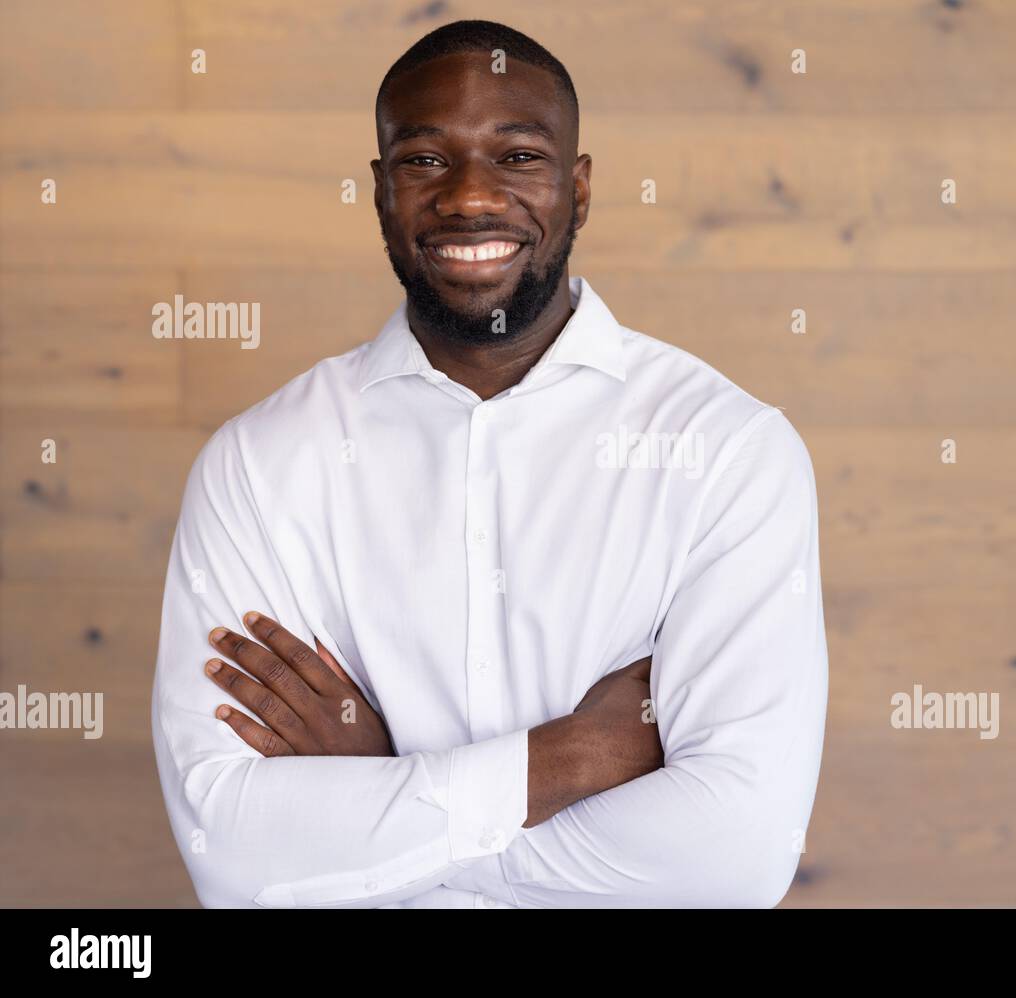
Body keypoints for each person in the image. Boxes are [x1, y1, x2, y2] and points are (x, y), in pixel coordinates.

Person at [151, 18, 828, 908]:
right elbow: (233, 854)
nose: (470, 198)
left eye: (519, 157)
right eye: (426, 160)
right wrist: (568, 759)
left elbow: (732, 860)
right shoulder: (259, 464)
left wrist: (392, 796)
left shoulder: (728, 452)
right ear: (381, 190)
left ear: (578, 189)